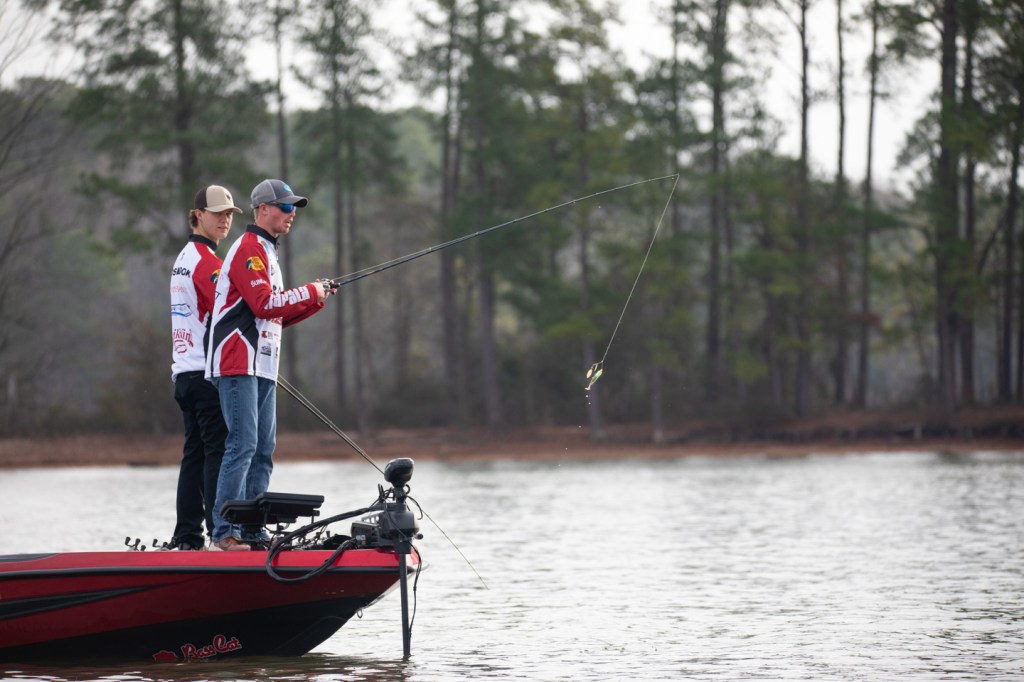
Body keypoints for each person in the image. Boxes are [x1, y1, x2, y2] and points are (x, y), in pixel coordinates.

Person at [205, 179, 333, 551]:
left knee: (263, 449)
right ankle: (223, 533)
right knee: (243, 445)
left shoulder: (267, 252)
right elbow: (264, 304)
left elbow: (274, 316)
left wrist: (315, 298)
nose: (292, 214)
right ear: (263, 209)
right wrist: (309, 291)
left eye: (294, 208)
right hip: (236, 362)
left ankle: (252, 530)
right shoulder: (249, 249)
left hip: (262, 364)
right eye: (286, 207)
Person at [168, 185, 242, 550]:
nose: (225, 220)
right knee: (218, 452)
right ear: (198, 215)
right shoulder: (207, 262)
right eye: (217, 213)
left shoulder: (183, 257)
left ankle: (187, 537)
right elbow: (232, 308)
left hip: (184, 373)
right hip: (204, 373)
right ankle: (219, 533)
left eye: (228, 214)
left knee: (194, 455)